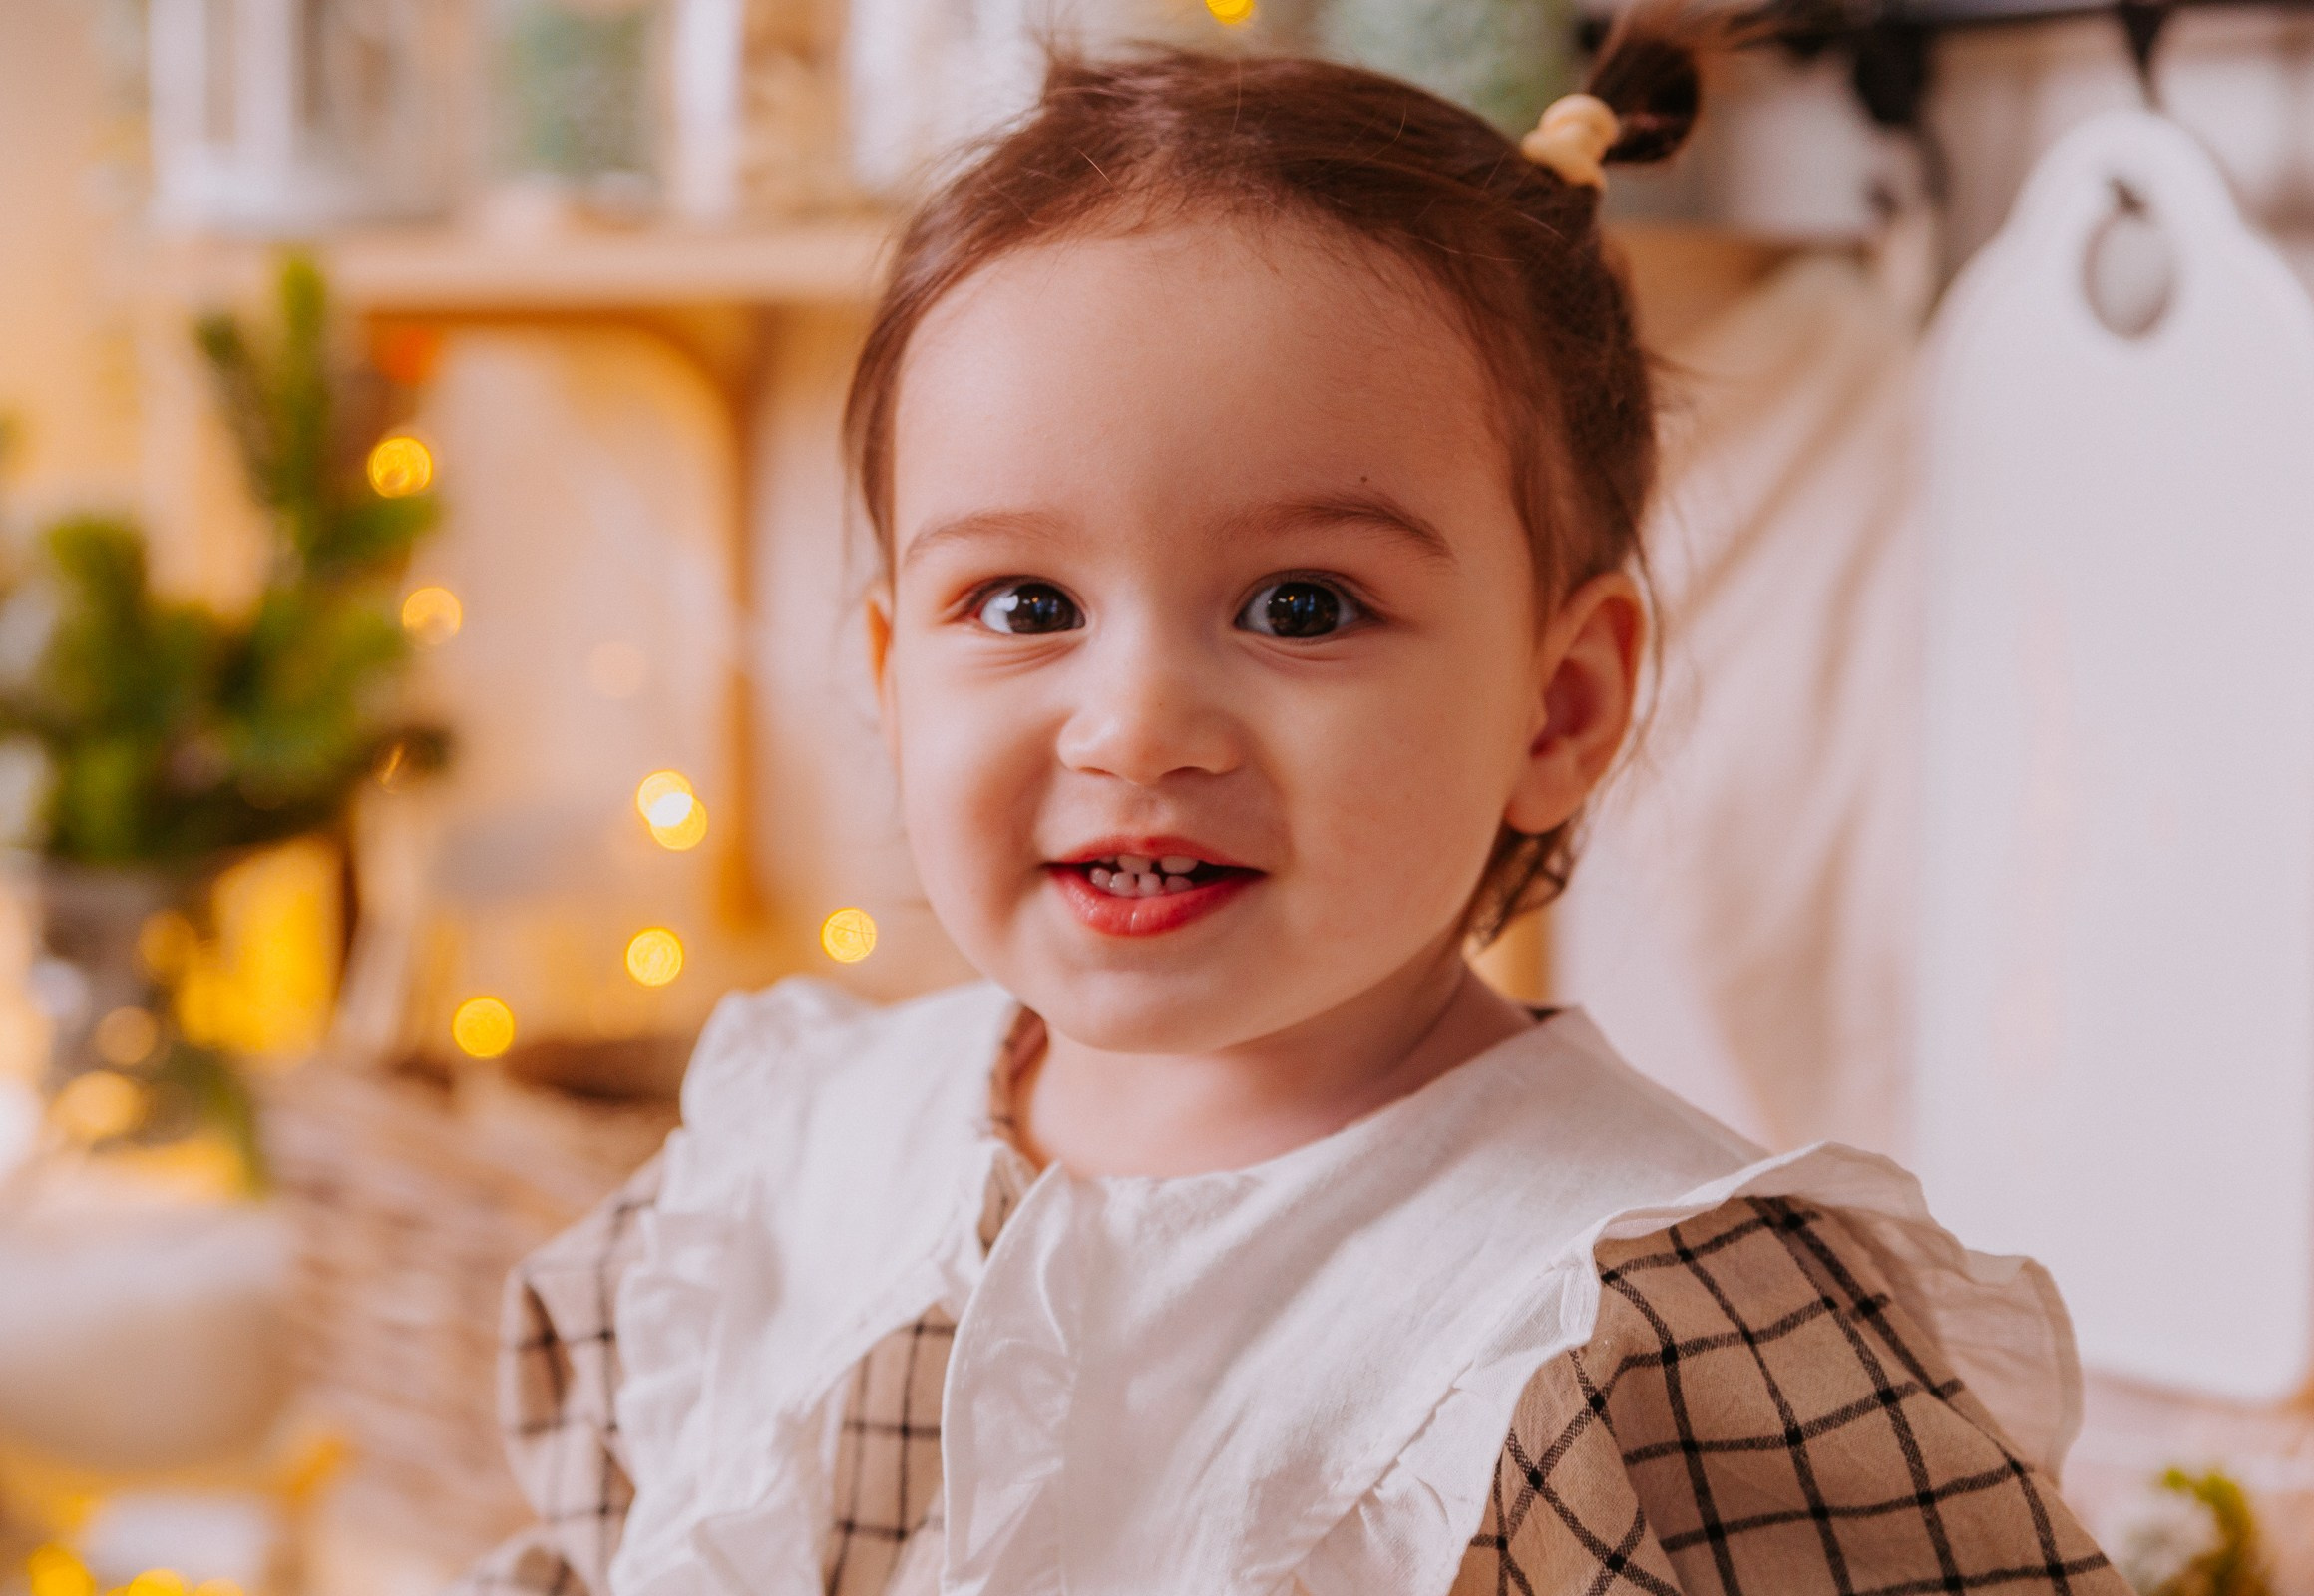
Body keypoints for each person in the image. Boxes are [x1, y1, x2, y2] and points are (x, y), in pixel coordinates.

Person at [453, 19, 2126, 1596]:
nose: (1136, 728)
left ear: (1561, 704)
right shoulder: (803, 1166)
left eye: (1301, 607)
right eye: (1026, 605)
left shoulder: (1619, 1324)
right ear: (892, 676)